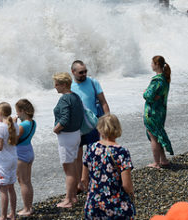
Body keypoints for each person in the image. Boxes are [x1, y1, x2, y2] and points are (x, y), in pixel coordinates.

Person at [82, 114, 135, 219]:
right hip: (116, 205)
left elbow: (84, 179)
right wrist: (132, 195)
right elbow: (126, 185)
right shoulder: (121, 152)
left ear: (100, 129)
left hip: (93, 204)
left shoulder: (91, 148)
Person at [70, 60, 110, 192]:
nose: (84, 74)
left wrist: (107, 120)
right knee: (77, 155)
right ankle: (79, 183)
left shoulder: (93, 82)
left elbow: (103, 102)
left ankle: (92, 180)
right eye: (81, 72)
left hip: (93, 124)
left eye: (85, 71)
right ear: (73, 72)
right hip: (77, 125)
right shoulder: (69, 86)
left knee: (93, 153)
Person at [52, 72, 84, 208]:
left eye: (57, 84)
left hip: (67, 136)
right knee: (74, 167)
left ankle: (68, 200)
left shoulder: (65, 99)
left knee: (69, 169)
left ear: (64, 85)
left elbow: (64, 119)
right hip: (76, 134)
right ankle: (74, 197)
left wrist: (55, 129)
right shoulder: (75, 96)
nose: (55, 87)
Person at [144, 55, 173, 169]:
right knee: (158, 134)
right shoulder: (165, 79)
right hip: (161, 111)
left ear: (157, 65)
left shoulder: (157, 80)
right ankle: (164, 160)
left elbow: (148, 96)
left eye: (152, 63)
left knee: (153, 137)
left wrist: (145, 92)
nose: (151, 65)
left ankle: (156, 162)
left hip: (153, 112)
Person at [13, 99, 36, 216]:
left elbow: (13, 140)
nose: (17, 114)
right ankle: (29, 206)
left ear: (22, 111)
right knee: (27, 181)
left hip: (21, 154)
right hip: (29, 151)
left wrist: (14, 125)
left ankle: (27, 209)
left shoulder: (22, 125)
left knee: (23, 182)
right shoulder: (33, 122)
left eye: (17, 112)